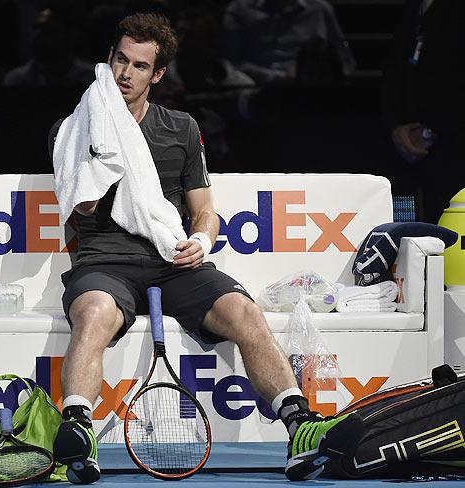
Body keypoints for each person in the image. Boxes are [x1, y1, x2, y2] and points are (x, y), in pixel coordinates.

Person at [48, 12, 363, 484]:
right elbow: (81, 208)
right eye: (119, 60)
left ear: (158, 74)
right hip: (104, 262)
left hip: (174, 260)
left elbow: (204, 212)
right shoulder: (74, 129)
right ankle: (77, 430)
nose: (124, 74)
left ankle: (299, 426)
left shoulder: (181, 128)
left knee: (245, 312)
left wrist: (200, 241)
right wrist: (99, 144)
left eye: (138, 66)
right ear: (106, 60)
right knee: (92, 312)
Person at [382, 0, 465, 224]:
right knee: (410, 227)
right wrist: (395, 128)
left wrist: (432, 130)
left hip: (453, 150)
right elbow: (394, 72)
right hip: (408, 148)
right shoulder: (412, 9)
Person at [220, 0, 356, 85]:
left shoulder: (320, 9)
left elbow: (345, 60)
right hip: (255, 93)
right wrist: (278, 78)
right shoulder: (240, 9)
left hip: (313, 94)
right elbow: (229, 64)